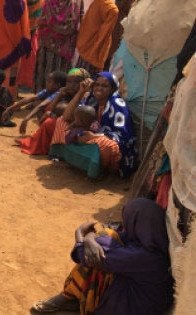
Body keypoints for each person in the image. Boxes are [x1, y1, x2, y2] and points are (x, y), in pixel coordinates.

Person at [31, 198, 174, 314]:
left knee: (101, 248)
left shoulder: (143, 257)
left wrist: (81, 235)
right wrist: (90, 239)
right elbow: (114, 234)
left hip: (124, 308)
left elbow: (84, 255)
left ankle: (70, 297)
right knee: (106, 239)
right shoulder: (156, 249)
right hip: (142, 302)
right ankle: (72, 298)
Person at [60, 71, 137, 177]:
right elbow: (67, 116)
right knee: (62, 122)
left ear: (113, 89)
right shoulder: (92, 100)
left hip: (108, 143)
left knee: (106, 145)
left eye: (104, 86)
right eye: (97, 84)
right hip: (90, 136)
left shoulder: (118, 106)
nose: (99, 88)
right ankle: (76, 160)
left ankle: (99, 170)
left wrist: (94, 136)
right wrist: (81, 92)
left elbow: (123, 136)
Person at [16, 68, 89, 155]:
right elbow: (50, 108)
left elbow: (72, 116)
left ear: (85, 83)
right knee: (47, 116)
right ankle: (38, 143)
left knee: (49, 122)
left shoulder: (85, 96)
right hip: (66, 121)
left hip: (78, 126)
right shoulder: (66, 93)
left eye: (76, 82)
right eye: (69, 82)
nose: (72, 85)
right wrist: (59, 95)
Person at [33, 0, 83, 92]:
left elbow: (42, 21)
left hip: (50, 43)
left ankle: (50, 96)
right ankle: (49, 96)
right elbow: (74, 25)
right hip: (60, 45)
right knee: (52, 70)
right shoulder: (74, 3)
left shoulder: (73, 3)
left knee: (53, 71)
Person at [2, 71, 67, 122]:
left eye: (49, 81)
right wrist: (10, 108)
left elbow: (42, 105)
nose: (46, 83)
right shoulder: (47, 90)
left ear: (57, 85)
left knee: (39, 106)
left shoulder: (58, 92)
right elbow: (31, 98)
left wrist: (27, 118)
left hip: (60, 118)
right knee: (37, 104)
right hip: (52, 114)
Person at [75, 0, 118, 74]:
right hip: (93, 54)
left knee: (77, 78)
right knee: (86, 81)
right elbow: (104, 36)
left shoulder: (99, 2)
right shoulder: (112, 10)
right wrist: (97, 60)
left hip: (85, 47)